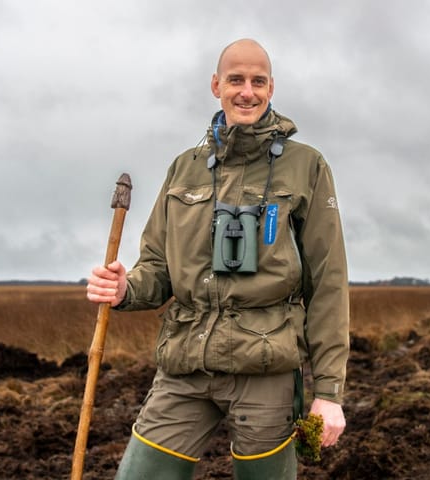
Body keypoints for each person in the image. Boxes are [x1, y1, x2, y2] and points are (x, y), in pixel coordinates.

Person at [86, 38, 349, 480]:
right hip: (184, 363)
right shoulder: (184, 168)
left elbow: (328, 282)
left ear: (271, 88)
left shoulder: (307, 167)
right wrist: (125, 287)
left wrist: (329, 390)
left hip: (265, 366)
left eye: (258, 81)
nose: (247, 91)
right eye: (236, 80)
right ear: (216, 85)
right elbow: (157, 266)